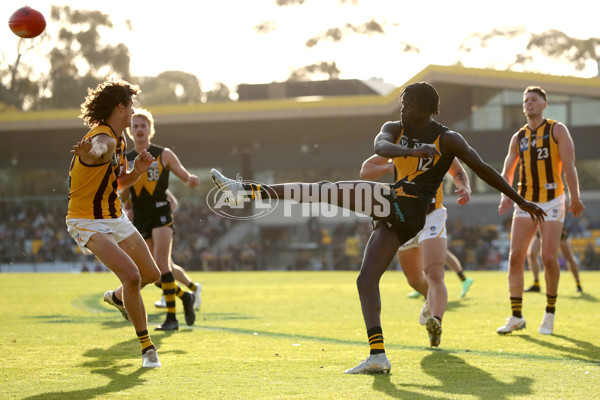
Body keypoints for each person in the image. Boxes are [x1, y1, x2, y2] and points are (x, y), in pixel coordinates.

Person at [210, 81, 545, 374]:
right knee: (365, 280)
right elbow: (380, 148)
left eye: (408, 104)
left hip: (411, 206)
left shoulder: (449, 139)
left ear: (426, 109)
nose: (402, 109)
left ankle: (244, 191)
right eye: (401, 103)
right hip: (394, 208)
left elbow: (484, 169)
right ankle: (378, 356)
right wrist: (408, 151)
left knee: (325, 189)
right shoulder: (395, 128)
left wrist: (520, 200)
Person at [66, 79, 161, 368]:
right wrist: (89, 153)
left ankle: (119, 298)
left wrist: (137, 171)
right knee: (132, 276)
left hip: (114, 216)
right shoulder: (104, 139)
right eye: (131, 106)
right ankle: (148, 350)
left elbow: (119, 182)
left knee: (151, 273)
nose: (134, 112)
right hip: (86, 221)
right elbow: (98, 150)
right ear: (121, 107)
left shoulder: (119, 140)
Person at [497, 86, 585, 336]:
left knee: (548, 257)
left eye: (534, 99)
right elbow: (508, 171)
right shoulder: (518, 137)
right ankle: (516, 316)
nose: (529, 103)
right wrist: (505, 196)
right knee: (516, 257)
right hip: (525, 202)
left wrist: (574, 197)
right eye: (526, 100)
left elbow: (569, 166)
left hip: (552, 201)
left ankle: (549, 313)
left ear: (545, 104)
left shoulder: (557, 129)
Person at [360, 155, 472, 339]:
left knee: (434, 272)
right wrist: (388, 167)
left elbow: (458, 171)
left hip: (432, 214)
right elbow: (366, 170)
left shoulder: (440, 139)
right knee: (413, 279)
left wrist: (464, 187)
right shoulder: (398, 137)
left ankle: (436, 321)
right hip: (405, 217)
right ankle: (430, 299)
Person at [120, 108, 201, 331]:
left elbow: (184, 176)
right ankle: (185, 297)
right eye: (135, 126)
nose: (138, 129)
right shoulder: (125, 159)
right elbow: (123, 193)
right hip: (140, 216)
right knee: (151, 273)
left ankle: (172, 320)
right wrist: (124, 190)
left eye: (143, 126)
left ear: (150, 130)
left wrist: (191, 180)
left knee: (162, 264)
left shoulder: (163, 154)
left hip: (161, 211)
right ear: (130, 131)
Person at [525, 228, 583, 293]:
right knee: (532, 254)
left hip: (556, 228)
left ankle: (578, 283)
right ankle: (536, 284)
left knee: (569, 257)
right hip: (542, 229)